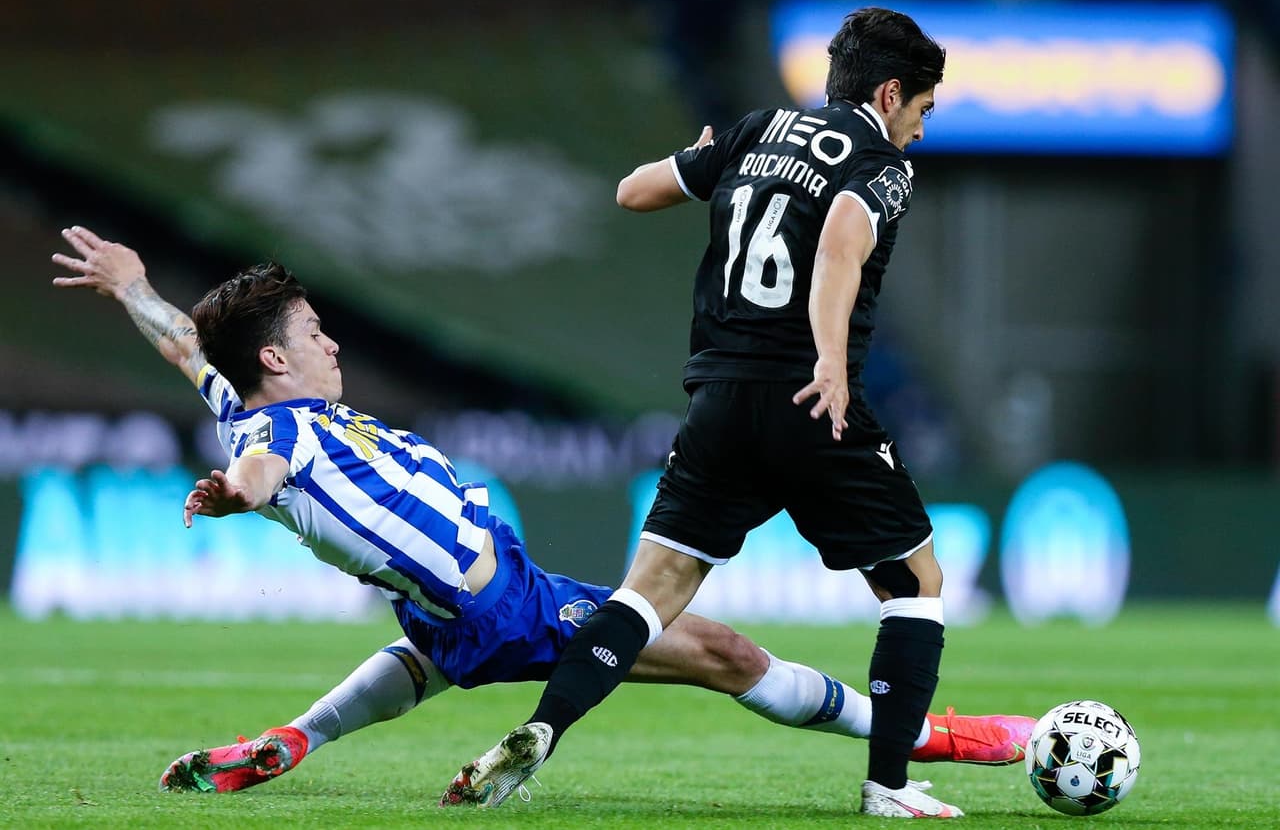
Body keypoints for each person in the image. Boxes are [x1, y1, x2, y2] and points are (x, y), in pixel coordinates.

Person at [49, 225, 1030, 796]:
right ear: (274, 358)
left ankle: (297, 737)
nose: (330, 340)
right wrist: (232, 495)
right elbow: (260, 473)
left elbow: (187, 346)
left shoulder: (242, 401)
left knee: (428, 658)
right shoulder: (279, 435)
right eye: (311, 332)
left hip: (450, 608)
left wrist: (134, 285)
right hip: (504, 600)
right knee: (725, 655)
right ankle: (937, 739)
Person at [445, 7, 977, 818]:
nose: (920, 132)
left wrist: (706, 156)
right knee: (916, 580)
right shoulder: (879, 161)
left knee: (647, 594)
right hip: (810, 400)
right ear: (890, 91)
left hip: (717, 402)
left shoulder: (759, 127)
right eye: (922, 112)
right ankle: (888, 786)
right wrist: (830, 359)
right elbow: (840, 242)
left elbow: (633, 192)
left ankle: (544, 728)